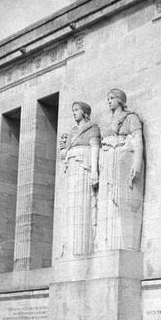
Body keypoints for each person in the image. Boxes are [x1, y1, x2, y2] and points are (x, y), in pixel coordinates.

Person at [95, 88, 144, 251]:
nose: (109, 101)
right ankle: (106, 247)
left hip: (122, 158)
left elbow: (137, 141)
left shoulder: (131, 118)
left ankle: (122, 246)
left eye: (112, 98)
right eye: (108, 98)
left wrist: (137, 163)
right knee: (107, 202)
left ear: (120, 100)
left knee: (120, 200)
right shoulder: (106, 120)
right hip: (107, 159)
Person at [59, 101, 100, 257]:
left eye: (76, 110)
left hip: (84, 168)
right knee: (71, 209)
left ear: (84, 112)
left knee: (83, 205)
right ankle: (70, 251)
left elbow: (95, 148)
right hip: (72, 169)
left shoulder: (92, 128)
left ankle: (82, 250)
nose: (73, 112)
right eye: (72, 110)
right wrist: (63, 150)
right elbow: (63, 155)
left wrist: (94, 171)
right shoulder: (71, 132)